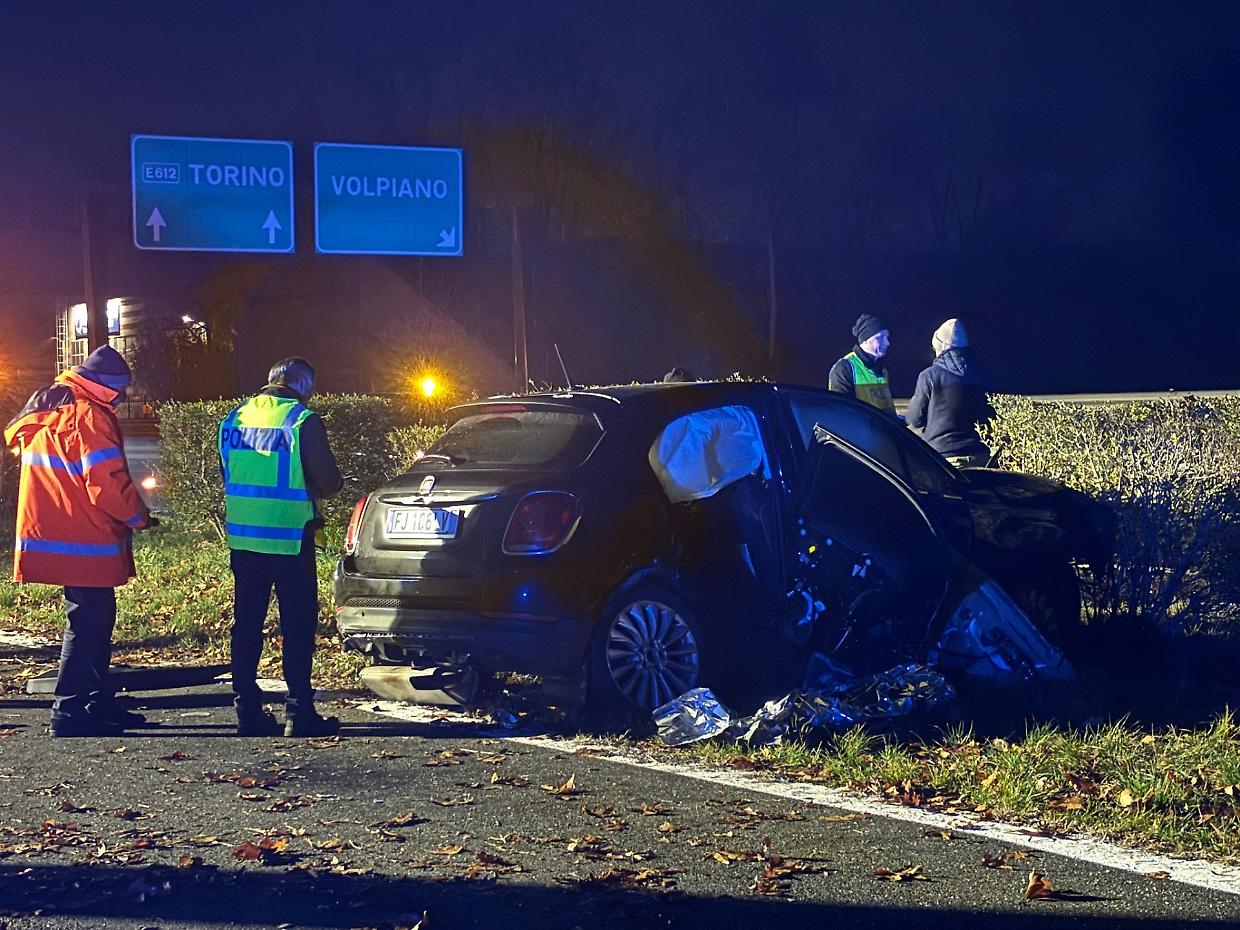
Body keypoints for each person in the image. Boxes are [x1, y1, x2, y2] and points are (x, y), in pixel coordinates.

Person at [4, 345, 155, 737]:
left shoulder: (51, 408)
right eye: (119, 391)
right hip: (86, 538)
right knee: (88, 624)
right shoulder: (89, 414)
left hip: (55, 534)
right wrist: (139, 517)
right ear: (107, 386)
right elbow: (106, 484)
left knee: (92, 620)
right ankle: (70, 710)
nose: (121, 399)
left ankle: (96, 702)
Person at [218, 357, 343, 737]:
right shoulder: (301, 420)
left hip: (244, 540)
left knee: (247, 624)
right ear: (303, 385)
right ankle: (299, 711)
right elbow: (329, 481)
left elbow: (228, 471)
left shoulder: (234, 418)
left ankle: (246, 710)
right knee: (298, 624)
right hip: (290, 539)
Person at [906, 318, 992, 467]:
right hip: (980, 455)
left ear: (943, 347)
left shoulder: (929, 376)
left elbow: (915, 419)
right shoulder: (981, 374)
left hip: (943, 459)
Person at [827, 313, 897, 417]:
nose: (887, 343)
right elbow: (840, 412)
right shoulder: (844, 368)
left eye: (887, 337)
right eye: (880, 337)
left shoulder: (881, 368)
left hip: (881, 431)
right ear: (865, 340)